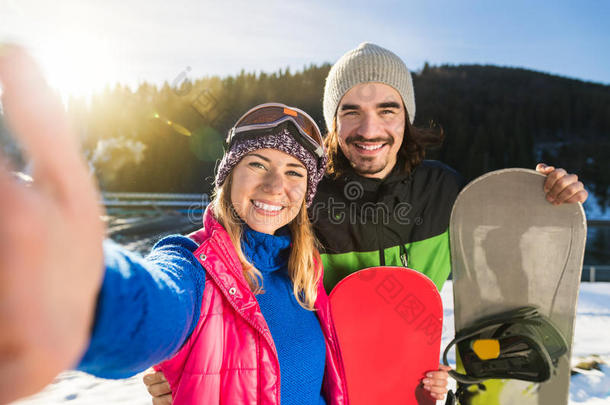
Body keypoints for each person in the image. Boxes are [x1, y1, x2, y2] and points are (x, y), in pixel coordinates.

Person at [0, 46, 450, 404]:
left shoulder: (306, 279)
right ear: (227, 177)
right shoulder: (194, 266)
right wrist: (85, 294)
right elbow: (155, 306)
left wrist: (416, 381)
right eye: (257, 164)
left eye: (295, 173)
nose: (277, 185)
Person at [144, 42, 587, 404]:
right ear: (333, 123)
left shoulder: (444, 192)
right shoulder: (301, 200)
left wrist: (545, 196)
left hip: (409, 387)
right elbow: (228, 267)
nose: (368, 128)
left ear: (407, 118)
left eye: (387, 110)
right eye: (351, 110)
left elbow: (499, 265)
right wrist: (186, 358)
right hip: (325, 387)